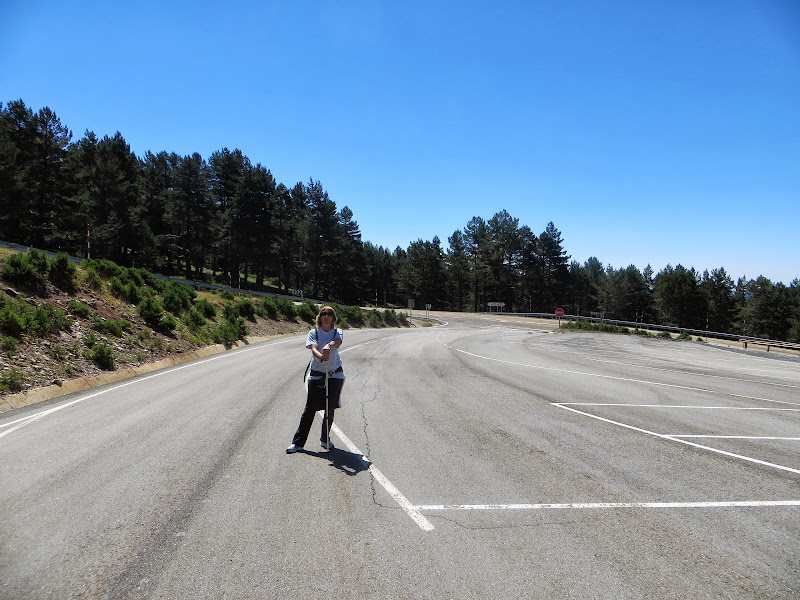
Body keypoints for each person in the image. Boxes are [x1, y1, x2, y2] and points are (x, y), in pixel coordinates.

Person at [286, 305, 345, 453]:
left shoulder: (337, 332)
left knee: (329, 408)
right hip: (317, 373)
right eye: (324, 313)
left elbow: (337, 342)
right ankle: (298, 443)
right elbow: (313, 348)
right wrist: (321, 356)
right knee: (310, 408)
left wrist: (328, 346)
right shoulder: (314, 333)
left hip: (334, 374)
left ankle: (325, 440)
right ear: (320, 317)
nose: (326, 316)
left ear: (333, 318)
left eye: (329, 314)